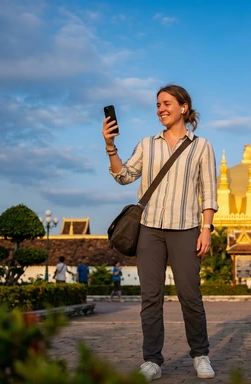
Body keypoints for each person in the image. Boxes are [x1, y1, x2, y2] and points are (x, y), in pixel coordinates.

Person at [102, 84, 218, 381]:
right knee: (150, 296)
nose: (160, 109)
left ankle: (200, 354)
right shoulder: (147, 144)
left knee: (190, 295)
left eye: (166, 103)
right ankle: (152, 360)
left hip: (186, 228)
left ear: (183, 107)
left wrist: (206, 229)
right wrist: (110, 146)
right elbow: (124, 176)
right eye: (157, 105)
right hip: (150, 230)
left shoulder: (201, 146)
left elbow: (208, 192)